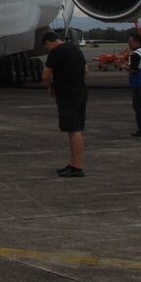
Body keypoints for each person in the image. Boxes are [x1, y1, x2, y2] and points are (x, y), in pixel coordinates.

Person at [42, 31, 88, 178]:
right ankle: (74, 163)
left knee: (73, 130)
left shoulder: (56, 52)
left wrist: (50, 87)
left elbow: (46, 75)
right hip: (80, 91)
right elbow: (86, 71)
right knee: (76, 129)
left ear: (49, 42)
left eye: (46, 47)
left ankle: (77, 166)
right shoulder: (76, 49)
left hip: (67, 94)